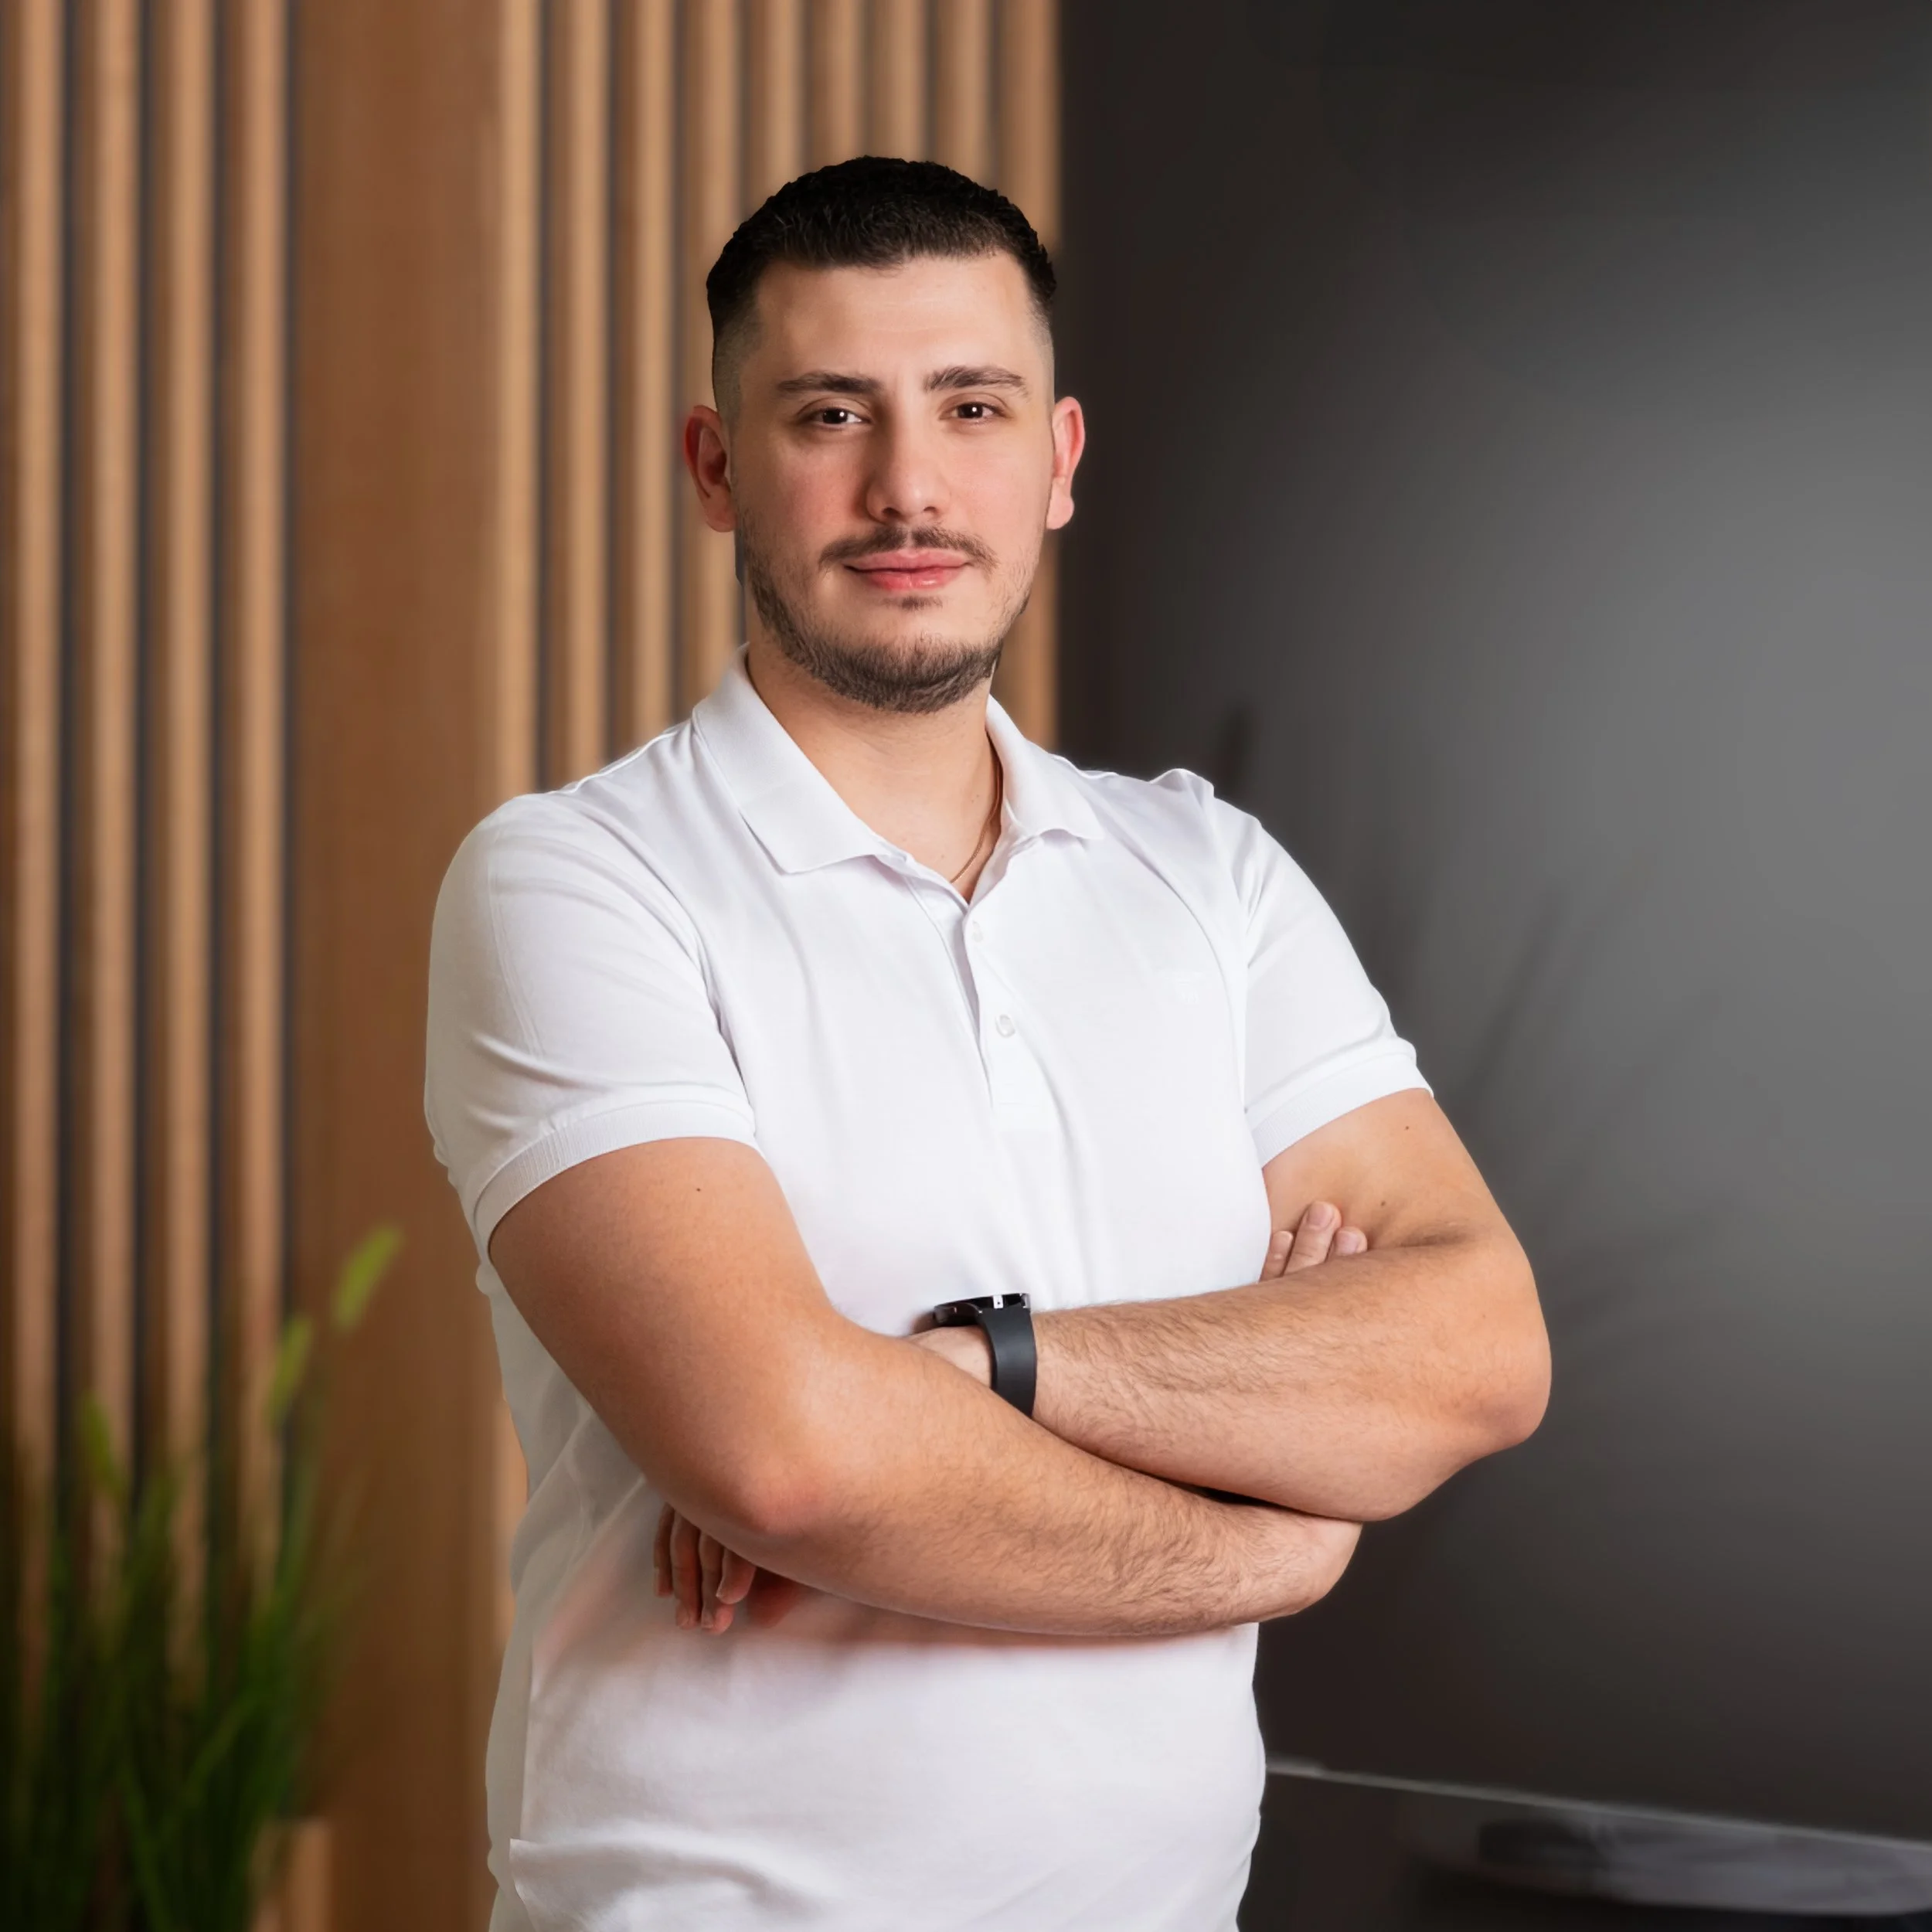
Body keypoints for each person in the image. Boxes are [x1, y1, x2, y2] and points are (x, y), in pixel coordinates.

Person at [425, 155, 1549, 1932]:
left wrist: (966, 1372)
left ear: (1058, 459)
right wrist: (1273, 1525)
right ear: (716, 469)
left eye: (970, 405)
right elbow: (781, 1450)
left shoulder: (1205, 872)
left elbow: (1477, 1345)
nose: (907, 486)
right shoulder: (575, 879)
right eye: (827, 412)